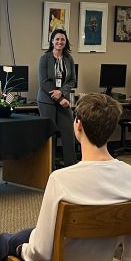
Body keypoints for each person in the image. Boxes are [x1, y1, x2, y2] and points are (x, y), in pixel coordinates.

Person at [0, 93, 131, 261]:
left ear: (78, 125)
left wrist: (21, 250)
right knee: (20, 235)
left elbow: (39, 255)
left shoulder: (61, 180)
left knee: (7, 242)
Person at [37, 28, 77, 168]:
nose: (60, 42)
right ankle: (49, 166)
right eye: (57, 39)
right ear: (52, 41)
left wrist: (62, 92)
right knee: (51, 134)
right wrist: (59, 98)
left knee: (68, 133)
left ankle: (70, 166)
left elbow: (72, 80)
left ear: (66, 42)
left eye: (63, 40)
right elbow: (44, 82)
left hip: (63, 100)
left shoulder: (68, 59)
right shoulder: (45, 58)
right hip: (46, 101)